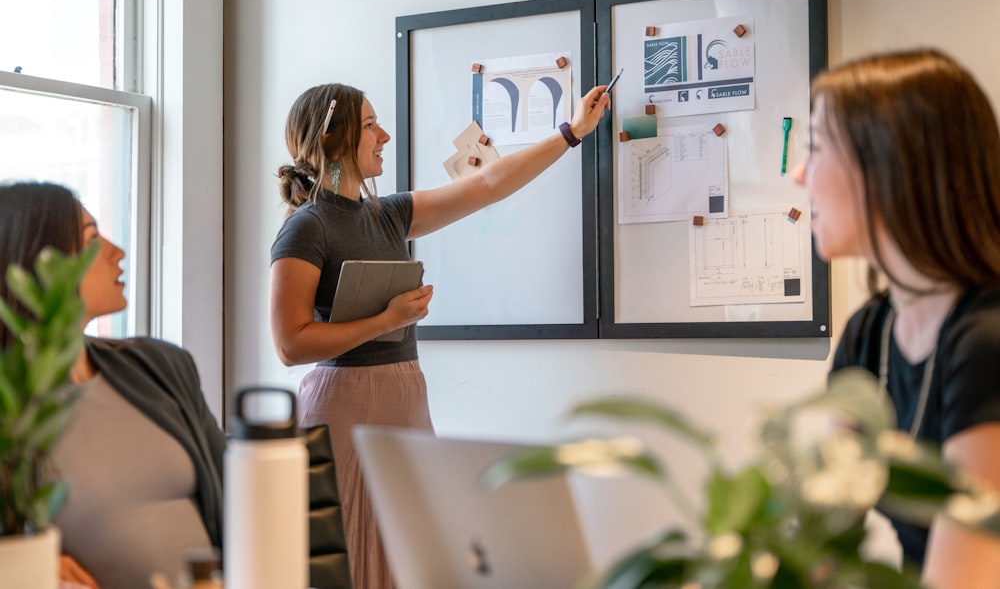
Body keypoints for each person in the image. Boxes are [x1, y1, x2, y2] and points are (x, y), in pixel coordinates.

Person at [269, 82, 610, 588]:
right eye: (369, 125)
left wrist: (572, 132)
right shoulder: (306, 227)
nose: (383, 135)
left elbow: (488, 185)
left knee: (411, 555)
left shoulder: (388, 215)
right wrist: (386, 321)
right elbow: (290, 344)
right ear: (332, 138)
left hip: (404, 398)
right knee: (350, 560)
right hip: (343, 406)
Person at [794, 49, 1000, 588]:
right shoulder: (871, 332)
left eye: (815, 148)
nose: (800, 175)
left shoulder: (987, 341)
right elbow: (822, 532)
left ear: (888, 164)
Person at [0, 181, 226, 589]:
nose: (115, 252)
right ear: (34, 263)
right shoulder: (11, 407)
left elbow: (237, 499)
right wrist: (14, 564)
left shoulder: (162, 366)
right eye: (90, 240)